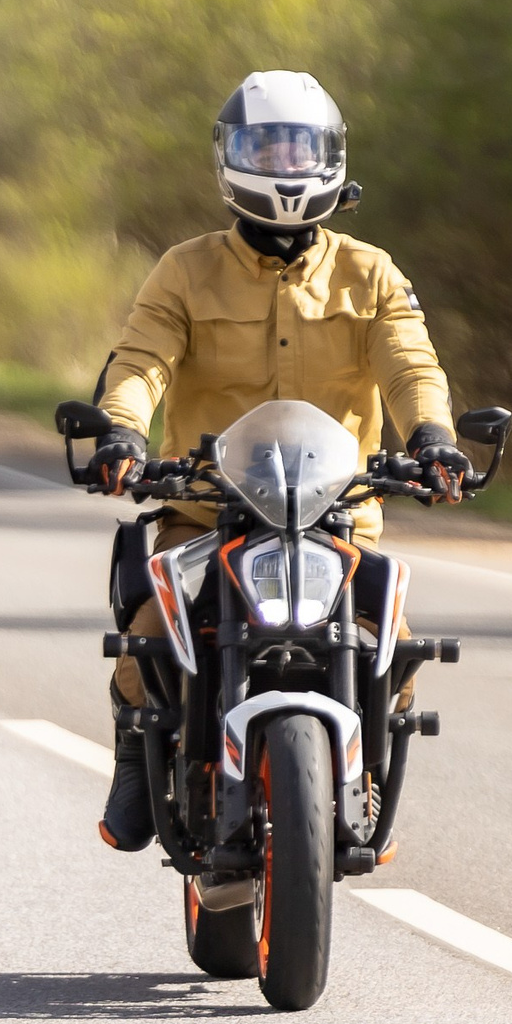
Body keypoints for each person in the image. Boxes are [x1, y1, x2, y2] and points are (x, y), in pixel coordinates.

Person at [86, 69, 471, 850]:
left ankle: (360, 768)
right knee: (151, 630)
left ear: (330, 155)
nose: (285, 162)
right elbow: (138, 363)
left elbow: (411, 366)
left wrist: (432, 437)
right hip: (207, 512)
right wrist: (122, 434)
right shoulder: (184, 270)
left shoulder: (371, 272)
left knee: (393, 642)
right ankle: (136, 749)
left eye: (301, 146)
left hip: (336, 518)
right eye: (267, 145)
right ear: (230, 155)